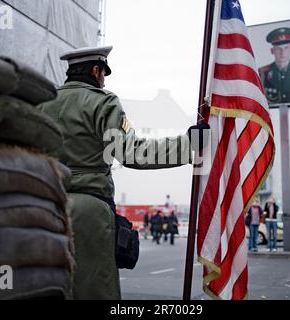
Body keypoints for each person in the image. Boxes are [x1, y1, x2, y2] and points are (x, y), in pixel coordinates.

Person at [38, 46, 209, 299]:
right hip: (90, 215)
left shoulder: (42, 103)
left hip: (43, 208)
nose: (104, 80)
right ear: (96, 71)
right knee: (93, 289)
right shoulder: (102, 101)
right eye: (103, 74)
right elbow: (132, 153)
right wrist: (188, 144)